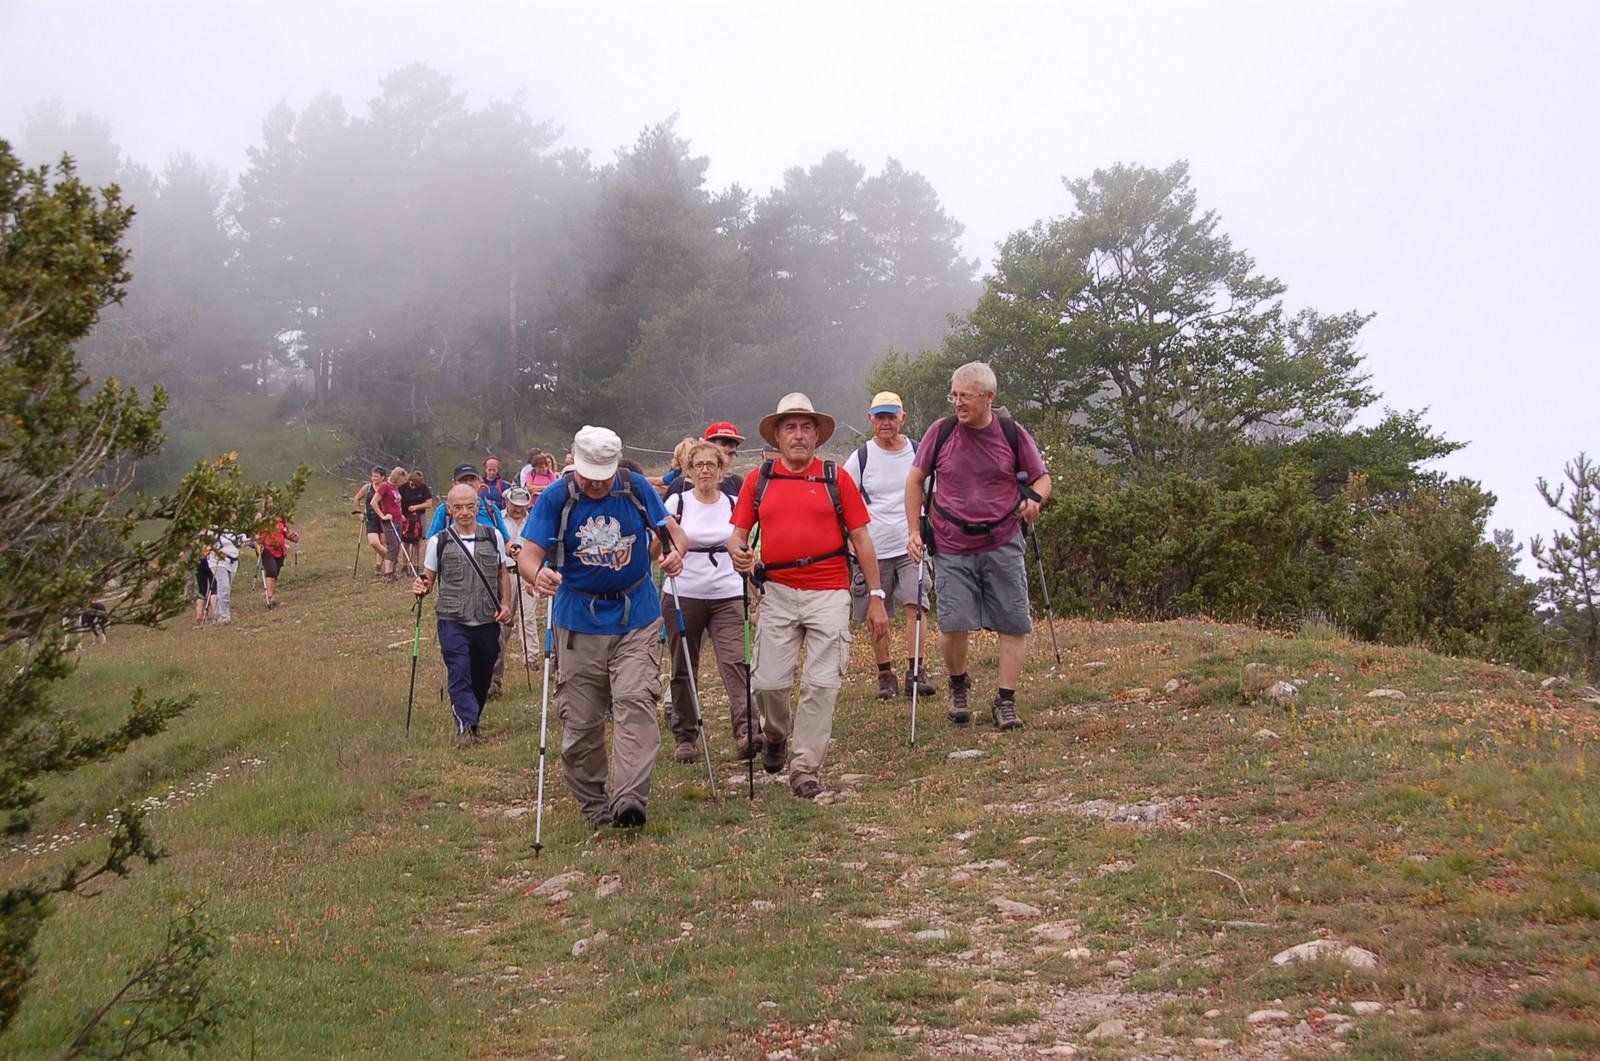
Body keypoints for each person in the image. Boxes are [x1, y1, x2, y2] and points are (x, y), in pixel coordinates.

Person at [518, 425, 687, 830]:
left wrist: (676, 554)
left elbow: (674, 534)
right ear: (575, 464)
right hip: (577, 621)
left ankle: (629, 797)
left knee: (635, 699)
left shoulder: (634, 487)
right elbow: (528, 553)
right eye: (589, 477)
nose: (596, 485)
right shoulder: (557, 497)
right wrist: (537, 574)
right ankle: (594, 802)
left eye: (604, 477)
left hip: (636, 615)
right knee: (582, 720)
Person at [729, 393, 890, 801]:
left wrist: (875, 598)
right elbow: (737, 536)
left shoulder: (837, 478)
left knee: (821, 684)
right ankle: (775, 734)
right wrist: (739, 553)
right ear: (777, 436)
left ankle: (804, 769)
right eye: (790, 427)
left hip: (830, 592)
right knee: (767, 683)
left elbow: (862, 539)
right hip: (777, 593)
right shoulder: (758, 480)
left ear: (817, 436)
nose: (798, 435)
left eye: (805, 428)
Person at [905, 361, 1051, 732]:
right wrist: (914, 530)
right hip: (951, 544)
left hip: (1003, 541)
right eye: (953, 395)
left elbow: (1041, 478)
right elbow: (915, 481)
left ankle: (1006, 700)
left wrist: (1035, 501)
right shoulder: (941, 431)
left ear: (989, 397)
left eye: (965, 396)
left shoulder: (1011, 433)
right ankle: (959, 685)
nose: (957, 403)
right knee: (953, 624)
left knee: (1013, 623)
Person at [661, 440, 756, 763]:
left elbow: (744, 541)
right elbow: (661, 541)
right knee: (683, 665)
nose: (705, 471)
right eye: (698, 465)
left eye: (711, 465)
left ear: (721, 470)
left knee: (737, 660)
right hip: (684, 591)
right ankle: (685, 736)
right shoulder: (677, 501)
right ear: (689, 470)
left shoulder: (734, 503)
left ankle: (747, 731)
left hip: (727, 591)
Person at [848, 391, 937, 700]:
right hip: (873, 548)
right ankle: (885, 675)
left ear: (903, 419)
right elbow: (844, 500)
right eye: (880, 417)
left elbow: (934, 493)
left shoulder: (918, 452)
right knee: (876, 612)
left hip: (913, 544)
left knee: (917, 604)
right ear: (870, 420)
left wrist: (931, 533)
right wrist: (850, 539)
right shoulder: (860, 457)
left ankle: (916, 671)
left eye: (891, 417)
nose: (885, 423)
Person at [412, 483, 515, 747]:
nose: (465, 512)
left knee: (482, 674)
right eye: (458, 507)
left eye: (470, 506)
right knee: (459, 670)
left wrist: (505, 604)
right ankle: (465, 727)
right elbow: (428, 579)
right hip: (452, 619)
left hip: (487, 618)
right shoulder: (439, 541)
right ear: (449, 509)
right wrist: (421, 586)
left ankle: (473, 720)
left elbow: (502, 573)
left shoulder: (493, 536)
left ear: (478, 506)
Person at [488, 486, 539, 701]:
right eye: (515, 505)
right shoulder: (497, 519)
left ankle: (531, 658)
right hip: (506, 573)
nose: (519, 510)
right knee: (505, 620)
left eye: (522, 506)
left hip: (528, 573)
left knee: (529, 616)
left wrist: (533, 576)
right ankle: (498, 658)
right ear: (507, 502)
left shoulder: (533, 519)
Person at [425, 464, 511, 540]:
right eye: (463, 480)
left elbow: (505, 540)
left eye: (472, 479)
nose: (468, 483)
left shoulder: (491, 509)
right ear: (454, 483)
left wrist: (513, 549)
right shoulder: (444, 510)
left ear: (479, 481)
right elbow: (431, 542)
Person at [254, 500, 299, 609]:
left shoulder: (281, 517)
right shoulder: (261, 516)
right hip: (266, 548)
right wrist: (256, 544)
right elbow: (253, 532)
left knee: (275, 573)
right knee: (271, 570)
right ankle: (269, 597)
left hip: (280, 549)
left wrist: (293, 537)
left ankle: (271, 597)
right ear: (265, 504)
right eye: (269, 502)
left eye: (273, 502)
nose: (272, 504)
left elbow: (285, 532)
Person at [372, 466, 406, 582]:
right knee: (392, 546)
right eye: (402, 479)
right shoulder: (385, 486)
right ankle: (388, 573)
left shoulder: (395, 487)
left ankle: (393, 571)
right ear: (398, 476)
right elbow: (374, 502)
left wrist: (400, 513)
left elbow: (397, 503)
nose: (403, 481)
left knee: (397, 546)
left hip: (398, 520)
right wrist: (382, 515)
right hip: (389, 522)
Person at [399, 469, 434, 574]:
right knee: (405, 541)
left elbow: (429, 503)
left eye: (415, 485)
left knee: (417, 542)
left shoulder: (424, 488)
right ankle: (404, 566)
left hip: (419, 516)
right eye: (411, 484)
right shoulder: (403, 488)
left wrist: (416, 507)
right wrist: (400, 514)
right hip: (405, 516)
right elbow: (397, 502)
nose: (413, 487)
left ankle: (416, 565)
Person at [359, 468, 387, 575]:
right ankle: (390, 557)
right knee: (374, 542)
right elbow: (356, 499)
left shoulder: (386, 487)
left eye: (376, 476)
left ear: (383, 477)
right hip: (371, 517)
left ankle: (378, 566)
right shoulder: (367, 487)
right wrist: (360, 513)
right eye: (372, 476)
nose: (373, 478)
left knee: (383, 542)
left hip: (383, 517)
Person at [209, 530, 241, 624]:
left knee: (225, 589)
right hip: (218, 561)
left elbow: (242, 540)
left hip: (232, 561)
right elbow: (206, 544)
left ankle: (217, 616)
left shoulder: (235, 528)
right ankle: (224, 617)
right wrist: (216, 552)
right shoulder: (213, 528)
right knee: (224, 587)